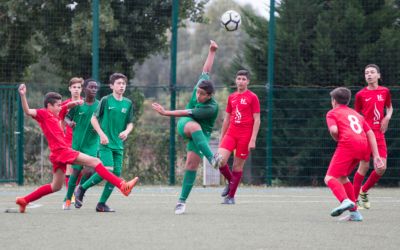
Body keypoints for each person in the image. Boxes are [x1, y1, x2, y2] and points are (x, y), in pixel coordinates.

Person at [15, 84, 138, 213]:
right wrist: (23, 95)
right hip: (62, 152)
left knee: (55, 186)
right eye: (57, 105)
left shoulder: (56, 114)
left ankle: (24, 200)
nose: (60, 107)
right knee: (96, 162)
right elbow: (28, 111)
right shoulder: (42, 113)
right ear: (49, 106)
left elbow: (64, 107)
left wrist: (73, 103)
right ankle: (122, 185)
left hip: (57, 154)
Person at [151, 40, 221, 215]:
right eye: (197, 91)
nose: (197, 95)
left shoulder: (211, 107)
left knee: (191, 165)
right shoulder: (202, 85)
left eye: (201, 94)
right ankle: (212, 158)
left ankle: (181, 202)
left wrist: (166, 112)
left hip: (201, 134)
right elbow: (206, 70)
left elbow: (187, 111)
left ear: (210, 95)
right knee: (194, 126)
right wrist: (212, 51)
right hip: (185, 125)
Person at [74, 73, 136, 212]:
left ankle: (101, 204)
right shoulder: (105, 100)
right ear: (111, 86)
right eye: (119, 83)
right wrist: (102, 134)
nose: (121, 86)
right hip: (105, 143)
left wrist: (126, 132)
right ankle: (81, 188)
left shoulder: (128, 103)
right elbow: (93, 119)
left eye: (123, 84)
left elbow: (130, 123)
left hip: (118, 145)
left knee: (115, 175)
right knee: (108, 170)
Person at [325, 87, 383, 221]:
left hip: (348, 145)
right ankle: (355, 213)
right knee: (342, 177)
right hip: (363, 146)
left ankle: (344, 201)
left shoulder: (332, 113)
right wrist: (376, 156)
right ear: (347, 101)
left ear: (334, 101)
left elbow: (334, 130)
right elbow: (370, 133)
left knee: (329, 178)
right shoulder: (357, 115)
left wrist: (337, 138)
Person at [214, 70, 260, 205]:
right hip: (231, 133)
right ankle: (231, 181)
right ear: (236, 81)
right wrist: (222, 138)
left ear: (248, 82)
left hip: (245, 136)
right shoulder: (231, 97)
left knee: (237, 167)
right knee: (219, 161)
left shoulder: (253, 97)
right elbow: (226, 119)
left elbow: (257, 120)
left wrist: (253, 139)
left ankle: (231, 197)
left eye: (243, 79)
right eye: (239, 78)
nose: (241, 81)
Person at [352, 64, 393, 209]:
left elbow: (389, 107)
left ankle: (364, 191)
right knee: (364, 166)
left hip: (379, 134)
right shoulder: (360, 95)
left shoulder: (385, 91)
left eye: (372, 72)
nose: (369, 75)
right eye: (366, 73)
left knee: (381, 168)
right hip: (366, 134)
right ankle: (353, 202)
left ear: (378, 75)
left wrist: (387, 117)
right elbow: (356, 116)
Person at [62, 79, 99, 210]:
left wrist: (100, 128)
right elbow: (66, 117)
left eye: (96, 87)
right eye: (91, 87)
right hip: (77, 143)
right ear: (86, 89)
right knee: (75, 172)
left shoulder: (99, 105)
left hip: (92, 143)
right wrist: (69, 123)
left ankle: (80, 191)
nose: (94, 89)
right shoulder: (78, 104)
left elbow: (104, 120)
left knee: (90, 170)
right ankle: (67, 199)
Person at [59, 77, 83, 190]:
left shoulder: (85, 103)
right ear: (69, 89)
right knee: (69, 167)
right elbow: (60, 120)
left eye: (78, 87)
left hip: (84, 140)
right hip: (69, 140)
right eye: (74, 87)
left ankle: (77, 190)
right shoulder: (65, 105)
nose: (76, 90)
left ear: (82, 89)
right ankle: (70, 195)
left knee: (81, 169)